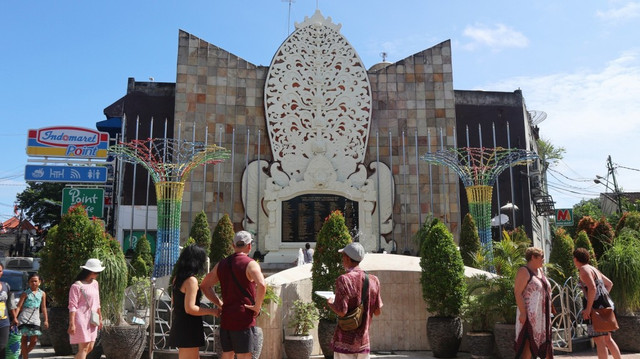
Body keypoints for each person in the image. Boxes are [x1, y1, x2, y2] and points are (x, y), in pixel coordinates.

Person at [201, 231, 266, 359]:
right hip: (244, 317)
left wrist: (220, 304)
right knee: (244, 355)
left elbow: (205, 286)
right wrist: (257, 307)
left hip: (227, 316)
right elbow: (262, 285)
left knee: (227, 353)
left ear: (233, 245)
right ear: (249, 246)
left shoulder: (221, 264)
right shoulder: (251, 264)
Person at [327, 242, 383, 359]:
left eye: (343, 256)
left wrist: (330, 303)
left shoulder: (344, 279)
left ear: (347, 257)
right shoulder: (374, 280)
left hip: (345, 341)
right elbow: (377, 312)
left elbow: (342, 311)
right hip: (364, 341)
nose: (342, 260)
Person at [168, 244, 220, 359]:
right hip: (188, 327)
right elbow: (190, 308)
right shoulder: (191, 280)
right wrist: (212, 311)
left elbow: (174, 300)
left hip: (182, 324)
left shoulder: (178, 278)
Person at [573, 248, 621, 359]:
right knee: (608, 339)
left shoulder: (584, 270)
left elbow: (592, 288)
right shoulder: (593, 269)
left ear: (576, 259)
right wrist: (602, 299)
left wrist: (588, 308)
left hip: (595, 309)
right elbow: (609, 284)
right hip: (605, 306)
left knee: (599, 341)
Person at [514, 247, 553, 359]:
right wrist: (523, 313)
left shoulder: (540, 271)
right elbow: (517, 292)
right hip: (530, 317)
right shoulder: (524, 271)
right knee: (527, 345)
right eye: (541, 257)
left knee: (546, 345)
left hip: (542, 317)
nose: (543, 260)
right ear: (533, 257)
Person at [68, 258, 104, 359]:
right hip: (81, 318)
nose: (98, 274)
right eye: (97, 272)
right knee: (83, 348)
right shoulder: (76, 286)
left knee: (90, 347)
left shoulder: (95, 283)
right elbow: (72, 306)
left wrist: (100, 318)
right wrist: (72, 323)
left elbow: (98, 303)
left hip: (93, 319)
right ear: (91, 271)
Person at [16, 273, 48, 359]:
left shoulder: (42, 294)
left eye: (35, 281)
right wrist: (15, 318)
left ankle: (22, 354)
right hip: (24, 318)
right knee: (24, 339)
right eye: (31, 281)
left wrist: (46, 320)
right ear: (29, 283)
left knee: (34, 341)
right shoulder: (25, 294)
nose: (34, 283)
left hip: (35, 318)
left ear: (39, 282)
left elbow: (44, 307)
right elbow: (19, 306)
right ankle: (25, 357)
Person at [0, 263, 18, 359]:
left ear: (2, 272)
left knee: (2, 347)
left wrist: (15, 317)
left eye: (0, 271)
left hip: (4, 322)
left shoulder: (6, 286)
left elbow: (11, 304)